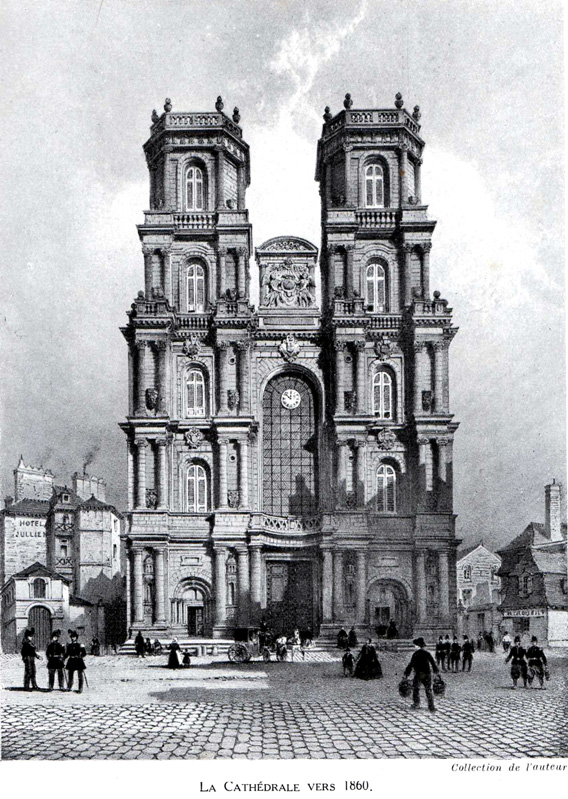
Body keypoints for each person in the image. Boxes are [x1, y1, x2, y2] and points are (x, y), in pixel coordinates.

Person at [404, 637, 439, 712]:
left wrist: (406, 674)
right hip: (428, 674)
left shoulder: (415, 654)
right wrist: (436, 672)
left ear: (418, 646)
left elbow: (411, 665)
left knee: (416, 689)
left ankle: (416, 704)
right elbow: (433, 663)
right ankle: (431, 707)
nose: (414, 647)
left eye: (415, 645)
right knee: (428, 690)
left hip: (419, 675)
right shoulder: (427, 653)